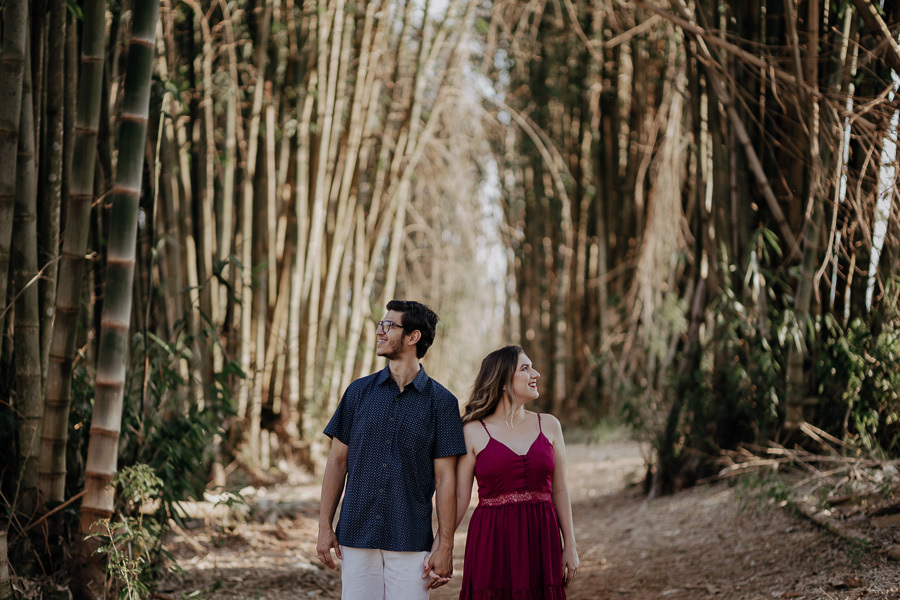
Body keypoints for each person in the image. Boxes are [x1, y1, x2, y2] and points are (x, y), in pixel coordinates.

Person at [317, 300, 466, 599]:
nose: (380, 332)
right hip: (356, 533)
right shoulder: (357, 392)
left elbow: (445, 478)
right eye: (380, 325)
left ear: (413, 337)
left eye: (389, 326)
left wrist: (445, 545)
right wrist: (324, 527)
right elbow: (337, 462)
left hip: (410, 537)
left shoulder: (443, 403)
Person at [454, 345, 578, 599]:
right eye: (525, 368)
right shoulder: (473, 431)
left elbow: (561, 489)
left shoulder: (550, 425)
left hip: (542, 537)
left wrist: (570, 545)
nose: (536, 374)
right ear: (502, 382)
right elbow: (460, 498)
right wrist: (441, 544)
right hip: (492, 541)